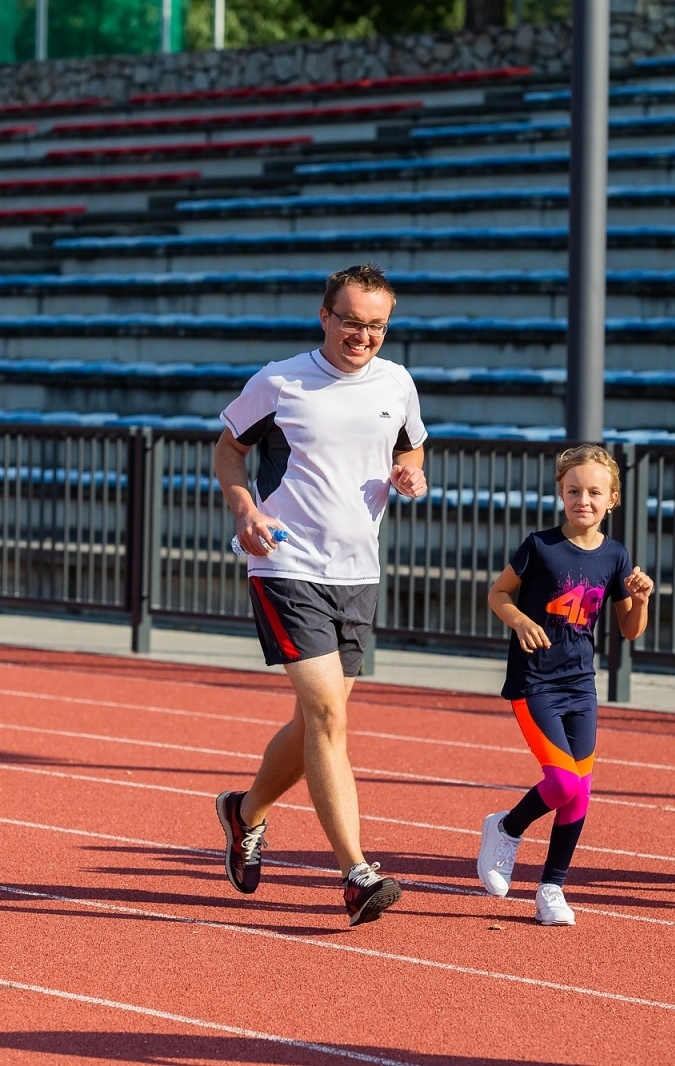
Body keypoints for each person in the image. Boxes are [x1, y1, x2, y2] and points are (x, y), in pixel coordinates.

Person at [211, 263, 427, 926]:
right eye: (351, 322)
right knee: (330, 719)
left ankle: (243, 812)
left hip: (358, 574)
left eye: (375, 326)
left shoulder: (398, 383)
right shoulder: (280, 381)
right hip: (286, 567)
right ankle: (357, 873)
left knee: (314, 723)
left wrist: (409, 474)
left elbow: (413, 448)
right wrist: (244, 512)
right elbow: (228, 451)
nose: (362, 337)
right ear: (325, 316)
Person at [474, 444, 652, 925]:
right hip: (534, 682)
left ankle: (551, 887)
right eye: (574, 491)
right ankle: (507, 828)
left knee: (580, 791)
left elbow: (630, 630)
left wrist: (642, 599)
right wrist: (518, 621)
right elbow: (497, 592)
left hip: (580, 686)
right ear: (561, 493)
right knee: (561, 781)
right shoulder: (540, 546)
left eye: (595, 492)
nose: (584, 500)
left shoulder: (616, 556)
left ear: (612, 499)